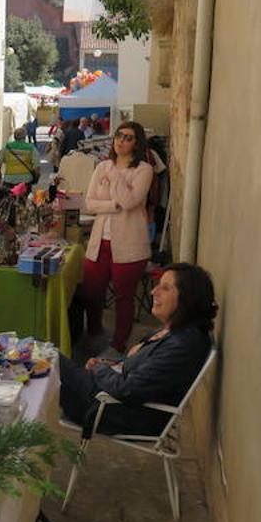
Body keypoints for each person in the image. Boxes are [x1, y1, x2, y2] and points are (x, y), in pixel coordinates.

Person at [60, 263, 216, 438]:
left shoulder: (183, 344)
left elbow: (128, 389)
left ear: (187, 298)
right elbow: (143, 373)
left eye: (165, 288)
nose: (153, 292)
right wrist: (111, 364)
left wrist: (99, 369)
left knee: (47, 359)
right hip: (107, 396)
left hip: (114, 411)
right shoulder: (174, 331)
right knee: (41, 360)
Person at [77, 121, 154, 355]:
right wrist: (113, 204)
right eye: (119, 135)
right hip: (100, 242)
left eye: (128, 137)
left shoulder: (143, 170)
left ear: (137, 143)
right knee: (92, 291)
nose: (121, 140)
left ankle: (118, 344)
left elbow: (131, 202)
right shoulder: (102, 167)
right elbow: (89, 203)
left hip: (130, 244)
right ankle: (94, 332)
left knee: (124, 297)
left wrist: (119, 175)